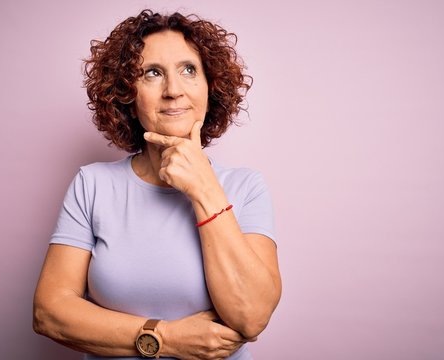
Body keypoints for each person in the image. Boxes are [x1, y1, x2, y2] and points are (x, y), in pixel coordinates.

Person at [33, 9, 281, 360]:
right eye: (152, 73)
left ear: (210, 88)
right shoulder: (92, 184)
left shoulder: (246, 187)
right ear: (127, 96)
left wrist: (203, 188)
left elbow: (252, 316)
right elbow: (49, 313)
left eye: (188, 70)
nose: (173, 91)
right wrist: (166, 338)